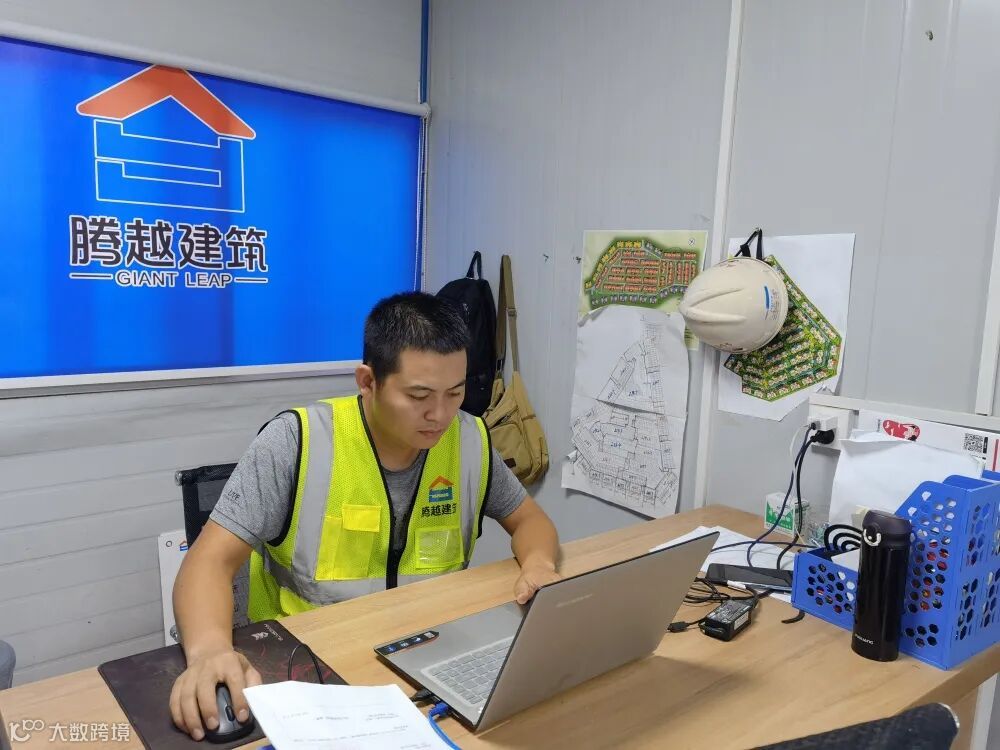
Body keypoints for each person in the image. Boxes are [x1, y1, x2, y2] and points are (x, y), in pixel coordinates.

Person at [169, 291, 561, 740]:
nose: (440, 415)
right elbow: (208, 561)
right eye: (419, 395)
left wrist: (538, 564)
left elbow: (530, 521)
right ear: (368, 381)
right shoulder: (298, 442)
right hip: (307, 671)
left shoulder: (469, 440)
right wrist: (209, 651)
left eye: (455, 393)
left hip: (429, 660)